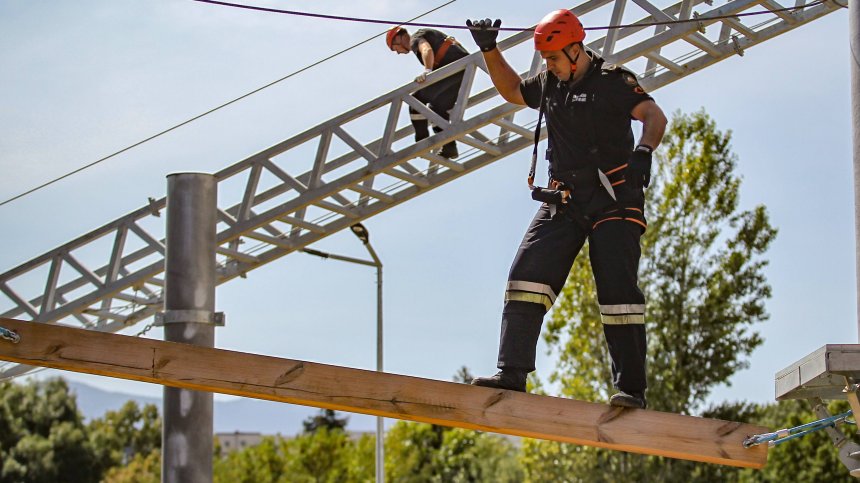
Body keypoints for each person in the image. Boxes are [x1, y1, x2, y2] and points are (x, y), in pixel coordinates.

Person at [466, 10, 667, 409]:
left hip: (614, 197)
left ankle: (631, 390)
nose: (549, 66)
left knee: (616, 290)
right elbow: (511, 90)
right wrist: (490, 50)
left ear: (576, 50)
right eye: (546, 60)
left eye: (555, 58)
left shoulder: (613, 82)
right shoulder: (550, 83)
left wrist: (644, 150)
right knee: (526, 277)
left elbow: (653, 115)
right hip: (566, 198)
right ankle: (512, 372)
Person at [386, 26, 469, 159]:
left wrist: (427, 71)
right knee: (437, 109)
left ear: (399, 37)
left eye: (394, 47)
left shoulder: (415, 39)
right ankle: (449, 147)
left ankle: (422, 142)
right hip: (461, 70)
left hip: (453, 68)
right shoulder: (422, 36)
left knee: (415, 102)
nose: (397, 52)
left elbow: (426, 49)